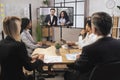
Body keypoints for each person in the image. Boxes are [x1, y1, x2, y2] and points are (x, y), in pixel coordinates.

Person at [64, 12, 120, 80]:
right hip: (114, 77)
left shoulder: (89, 49)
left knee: (67, 74)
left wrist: (75, 61)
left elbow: (79, 67)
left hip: (91, 77)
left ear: (94, 29)